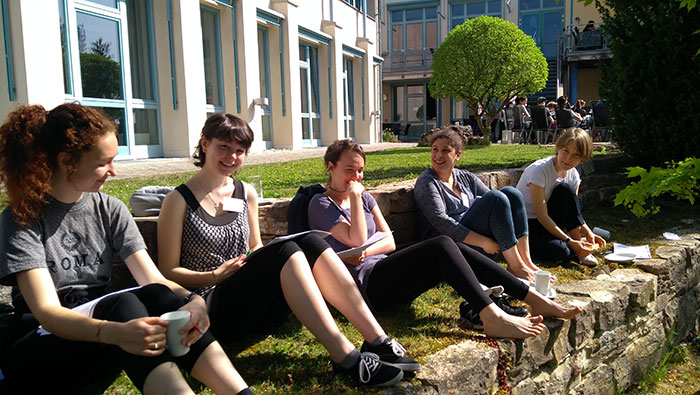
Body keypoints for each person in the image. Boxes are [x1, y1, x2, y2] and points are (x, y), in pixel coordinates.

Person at [0, 104, 251, 394]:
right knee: (122, 305)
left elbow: (154, 280)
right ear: (67, 161)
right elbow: (47, 312)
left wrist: (193, 300)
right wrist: (116, 332)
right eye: (103, 162)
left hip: (103, 336)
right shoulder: (23, 217)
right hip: (41, 347)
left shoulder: (109, 208)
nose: (113, 172)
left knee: (155, 294)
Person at [157, 114, 415, 388]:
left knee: (311, 243)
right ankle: (347, 359)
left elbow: (255, 246)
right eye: (224, 147)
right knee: (285, 251)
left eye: (240, 151)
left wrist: (259, 261)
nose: (232, 157)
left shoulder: (245, 193)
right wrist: (214, 275)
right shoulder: (178, 201)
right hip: (211, 308)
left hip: (258, 305)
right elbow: (167, 271)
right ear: (205, 144)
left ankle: (378, 341)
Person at [307, 139, 581, 339]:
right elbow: (357, 238)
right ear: (330, 168)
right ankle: (492, 316)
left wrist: (365, 248)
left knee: (452, 247)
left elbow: (389, 241)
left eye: (360, 171)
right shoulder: (321, 205)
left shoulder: (366, 198)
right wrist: (354, 199)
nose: (357, 178)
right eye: (349, 171)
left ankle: (532, 297)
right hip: (366, 288)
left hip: (386, 273)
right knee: (441, 244)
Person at [413, 126, 541, 282]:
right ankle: (516, 267)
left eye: (445, 150)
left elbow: (497, 204)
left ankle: (525, 261)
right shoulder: (427, 182)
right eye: (434, 149)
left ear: (457, 155)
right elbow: (441, 222)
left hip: (473, 237)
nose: (438, 155)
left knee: (512, 194)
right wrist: (484, 242)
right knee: (496, 198)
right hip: (450, 246)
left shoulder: (465, 177)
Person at [515, 128, 606, 266]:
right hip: (527, 224)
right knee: (562, 253)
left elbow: (571, 212)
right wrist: (569, 241)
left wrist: (587, 232)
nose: (569, 159)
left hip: (551, 221)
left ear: (582, 158)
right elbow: (541, 215)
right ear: (558, 148)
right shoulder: (539, 171)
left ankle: (581, 249)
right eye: (566, 151)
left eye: (576, 155)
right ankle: (574, 248)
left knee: (565, 190)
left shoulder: (573, 174)